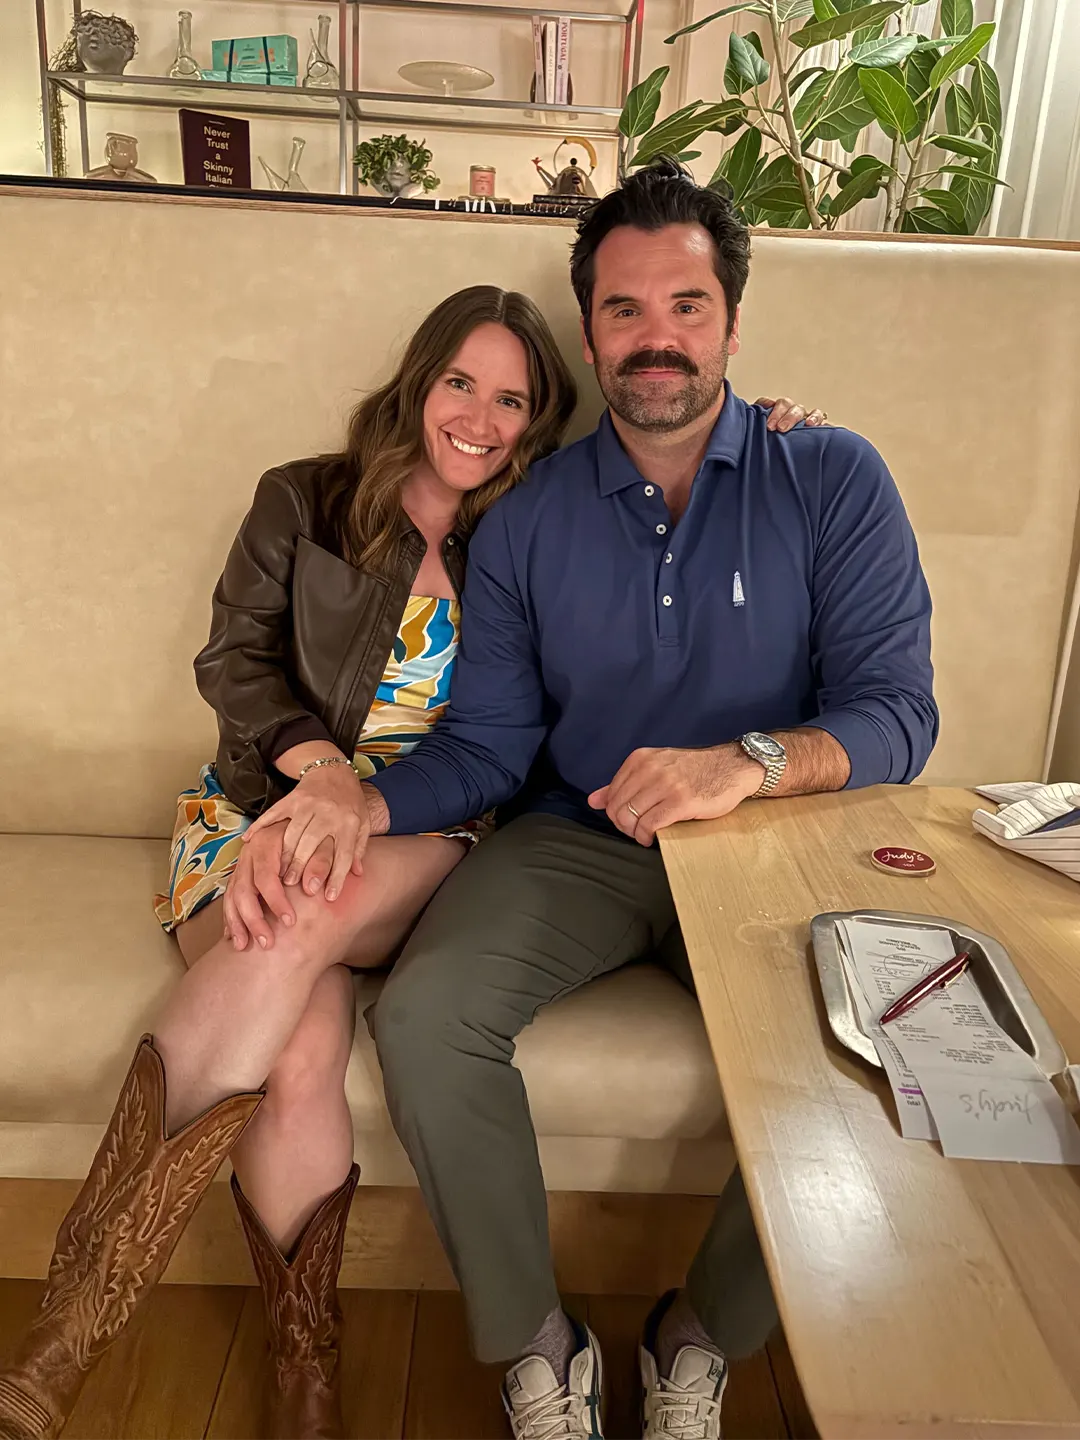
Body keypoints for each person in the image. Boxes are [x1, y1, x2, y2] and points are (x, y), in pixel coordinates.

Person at [0, 278, 820, 1440]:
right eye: (460, 384)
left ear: (539, 419)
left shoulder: (532, 528)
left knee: (294, 921)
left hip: (425, 826)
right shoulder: (304, 500)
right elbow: (232, 662)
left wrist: (765, 428)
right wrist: (313, 772)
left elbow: (670, 463)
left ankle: (59, 1344)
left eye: (511, 399)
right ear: (418, 380)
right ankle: (304, 1378)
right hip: (260, 807)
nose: (479, 418)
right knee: (302, 1043)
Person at [256, 158, 937, 1440]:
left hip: (766, 839)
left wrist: (748, 763)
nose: (658, 337)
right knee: (432, 1013)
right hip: (576, 835)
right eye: (626, 310)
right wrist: (358, 800)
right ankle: (534, 1347)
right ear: (591, 329)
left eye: (687, 305)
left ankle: (701, 1335)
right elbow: (493, 744)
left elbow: (899, 712)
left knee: (890, 1040)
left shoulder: (833, 477)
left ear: (732, 319)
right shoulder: (528, 518)